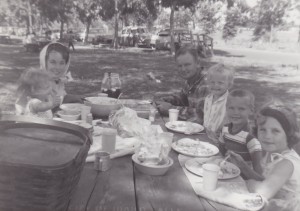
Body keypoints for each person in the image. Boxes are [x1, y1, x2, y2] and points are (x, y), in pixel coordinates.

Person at [229, 102, 300, 211]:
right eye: (263, 129)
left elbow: (263, 192)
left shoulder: (286, 163)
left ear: (289, 133)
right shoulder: (272, 153)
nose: (267, 136)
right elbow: (265, 181)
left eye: (275, 131)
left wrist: (249, 183)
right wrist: (243, 166)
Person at [15, 42, 82, 115]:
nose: (57, 67)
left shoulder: (59, 80)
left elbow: (61, 97)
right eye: (53, 62)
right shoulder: (37, 80)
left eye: (62, 63)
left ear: (66, 64)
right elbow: (21, 107)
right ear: (44, 61)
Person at [155, 46, 209, 123]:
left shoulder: (207, 83)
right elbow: (183, 99)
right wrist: (164, 100)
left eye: (187, 65)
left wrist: (171, 109)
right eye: (180, 66)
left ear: (197, 63)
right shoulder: (190, 79)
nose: (183, 69)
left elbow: (201, 116)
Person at [219, 89, 263, 177]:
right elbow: (221, 153)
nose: (235, 113)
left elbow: (258, 174)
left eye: (241, 109)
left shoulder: (251, 139)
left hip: (244, 181)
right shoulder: (225, 129)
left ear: (251, 110)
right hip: (225, 174)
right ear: (226, 108)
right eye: (231, 108)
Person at [203, 63, 234, 142]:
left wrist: (219, 134)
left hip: (220, 140)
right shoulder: (208, 98)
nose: (215, 85)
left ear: (229, 85)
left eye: (220, 83)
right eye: (212, 82)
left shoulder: (230, 102)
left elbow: (229, 123)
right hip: (205, 136)